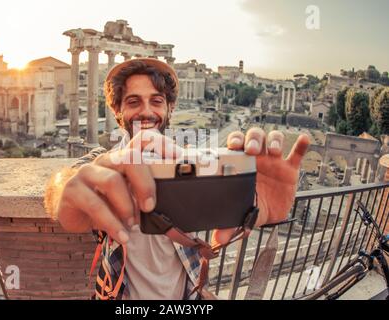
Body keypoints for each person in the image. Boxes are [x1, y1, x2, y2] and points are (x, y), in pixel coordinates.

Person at [44, 58, 310, 300]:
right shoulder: (101, 164)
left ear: (170, 108)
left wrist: (253, 202)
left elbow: (224, 217)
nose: (146, 112)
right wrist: (65, 190)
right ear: (118, 112)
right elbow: (64, 185)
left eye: (157, 101)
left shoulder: (192, 165)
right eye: (133, 102)